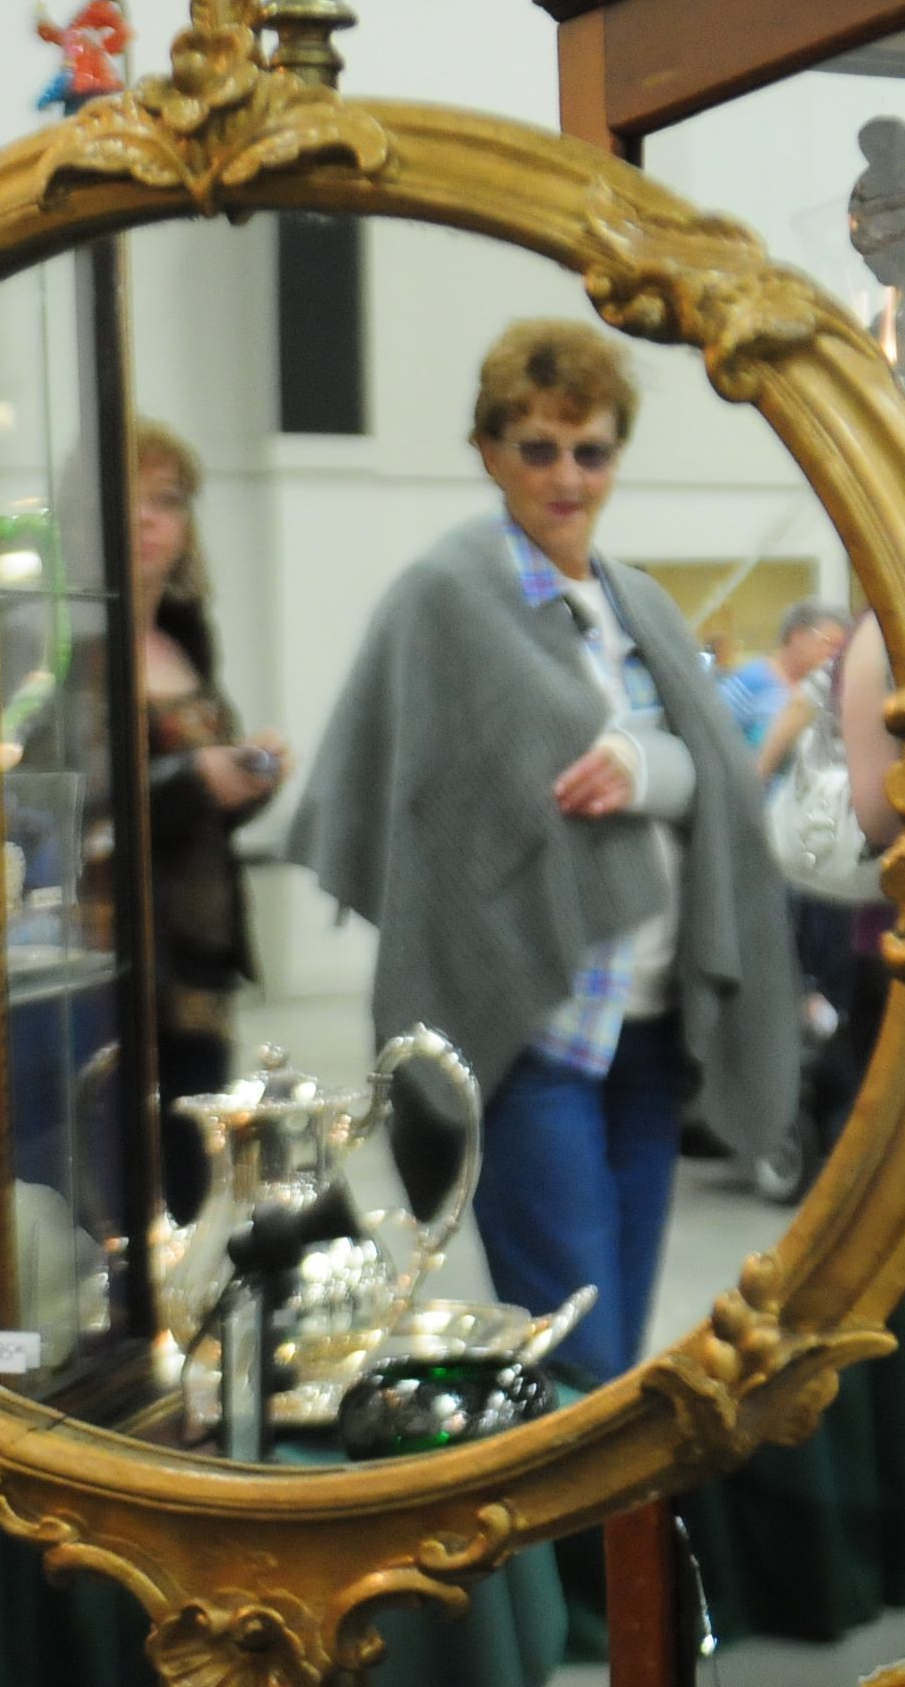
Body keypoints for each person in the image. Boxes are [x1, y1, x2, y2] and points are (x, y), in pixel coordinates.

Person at [285, 320, 800, 1382]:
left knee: (618, 1338)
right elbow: (438, 805)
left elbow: (713, 778)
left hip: (650, 1030)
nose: (567, 477)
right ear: (487, 450)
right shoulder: (450, 592)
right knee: (582, 1354)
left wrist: (642, 768)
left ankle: (613, 1547)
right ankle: (584, 1547)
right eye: (537, 448)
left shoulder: (634, 600)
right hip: (533, 1029)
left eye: (592, 450)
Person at [133, 422, 288, 1222]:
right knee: (137, 1189)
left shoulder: (184, 636)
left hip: (198, 959)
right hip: (121, 962)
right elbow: (64, 808)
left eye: (166, 502)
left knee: (194, 1188)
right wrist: (195, 777)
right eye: (126, 502)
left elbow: (194, 814)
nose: (146, 521)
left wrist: (247, 776)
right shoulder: (60, 644)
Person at [719, 599, 847, 760]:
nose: (835, 655)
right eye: (830, 643)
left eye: (841, 649)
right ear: (798, 636)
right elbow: (713, 739)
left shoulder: (823, 688)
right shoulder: (750, 680)